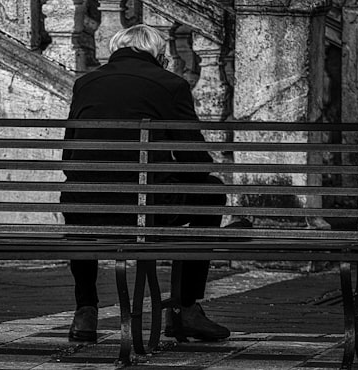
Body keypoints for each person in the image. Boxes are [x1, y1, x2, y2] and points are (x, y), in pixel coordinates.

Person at [62, 24, 231, 343]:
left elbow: (69, 154)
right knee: (212, 192)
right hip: (146, 212)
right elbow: (195, 162)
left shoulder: (85, 83)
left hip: (85, 210)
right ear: (159, 54)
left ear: (116, 50)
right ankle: (186, 309)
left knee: (82, 196)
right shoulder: (171, 85)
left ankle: (85, 311)